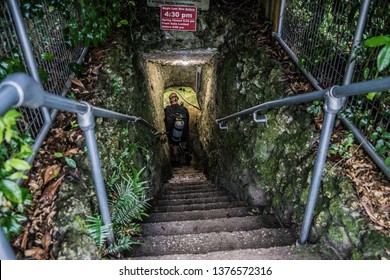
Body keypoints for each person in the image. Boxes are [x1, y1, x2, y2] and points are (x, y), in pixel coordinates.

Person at [164, 92, 190, 166]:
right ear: (177, 99)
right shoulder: (184, 109)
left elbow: (166, 122)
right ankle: (185, 160)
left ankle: (177, 162)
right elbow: (187, 121)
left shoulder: (167, 110)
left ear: (170, 100)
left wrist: (168, 133)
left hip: (173, 132)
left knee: (175, 148)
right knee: (184, 145)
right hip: (184, 131)